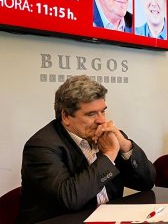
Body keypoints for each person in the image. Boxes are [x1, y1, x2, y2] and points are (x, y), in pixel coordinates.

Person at [17, 75, 155, 223]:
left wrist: (124, 145)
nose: (101, 120)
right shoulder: (41, 147)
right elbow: (70, 198)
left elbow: (146, 182)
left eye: (103, 111)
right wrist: (109, 155)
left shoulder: (107, 137)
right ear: (66, 116)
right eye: (91, 114)